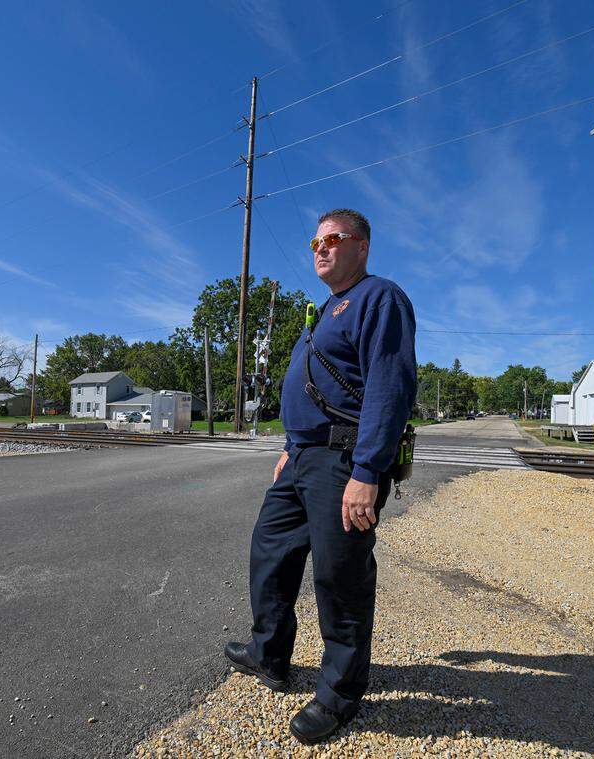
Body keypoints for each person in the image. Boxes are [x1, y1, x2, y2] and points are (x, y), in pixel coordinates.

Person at [224, 208, 417, 744]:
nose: (321, 249)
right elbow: (312, 388)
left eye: (333, 239)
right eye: (314, 242)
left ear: (363, 246)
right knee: (269, 554)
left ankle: (340, 693)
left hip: (345, 461)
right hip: (302, 458)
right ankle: (270, 654)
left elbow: (389, 387)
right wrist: (291, 446)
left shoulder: (380, 298)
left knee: (340, 577)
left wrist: (368, 471)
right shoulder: (326, 310)